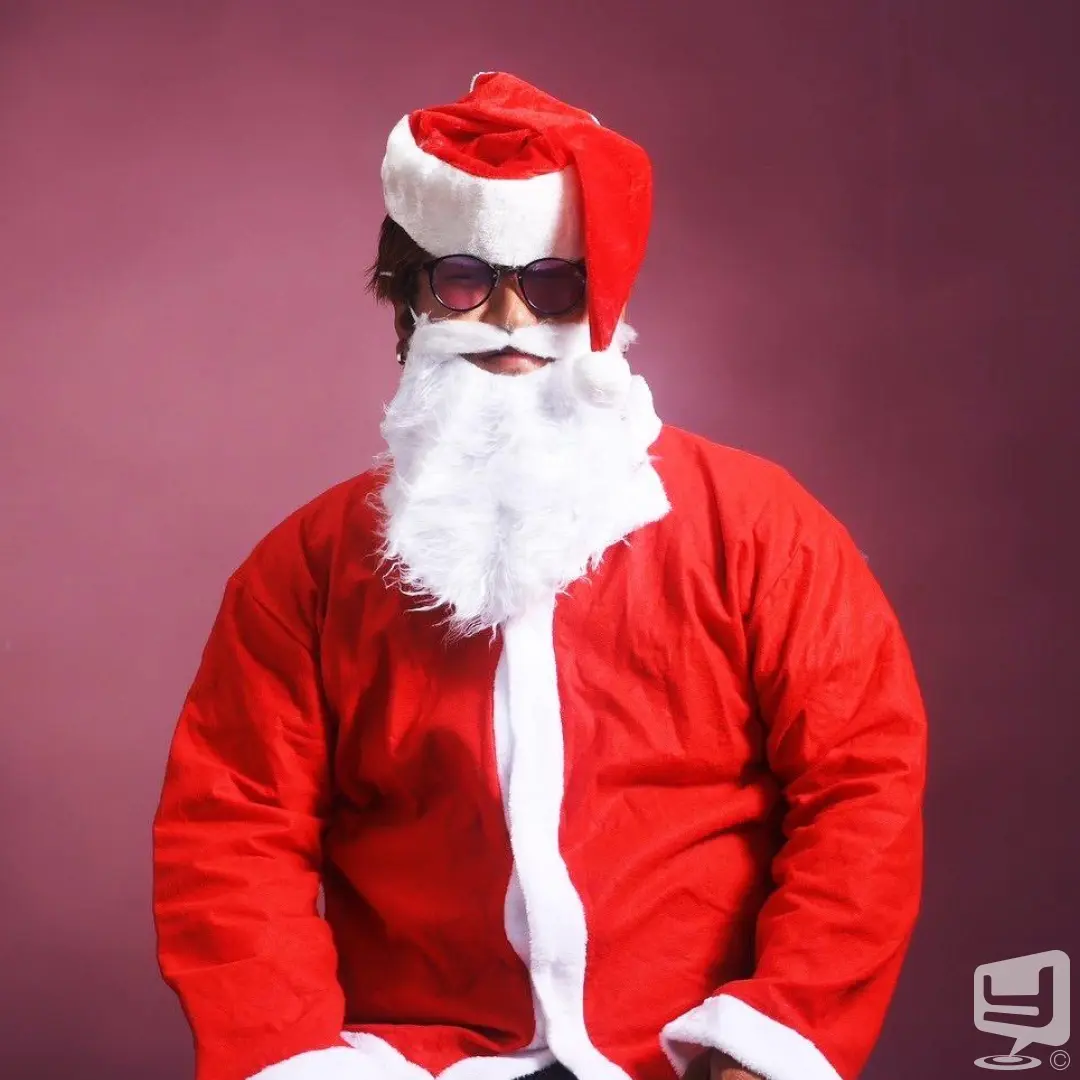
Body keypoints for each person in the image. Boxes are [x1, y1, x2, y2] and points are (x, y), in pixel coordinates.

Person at [152, 72, 928, 1080]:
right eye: (465, 280)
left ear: (601, 301)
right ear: (412, 298)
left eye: (553, 283)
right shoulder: (304, 568)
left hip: (690, 1053)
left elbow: (862, 785)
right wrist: (293, 1058)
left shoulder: (760, 527)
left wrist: (773, 1037)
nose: (511, 320)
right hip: (414, 1059)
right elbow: (231, 833)